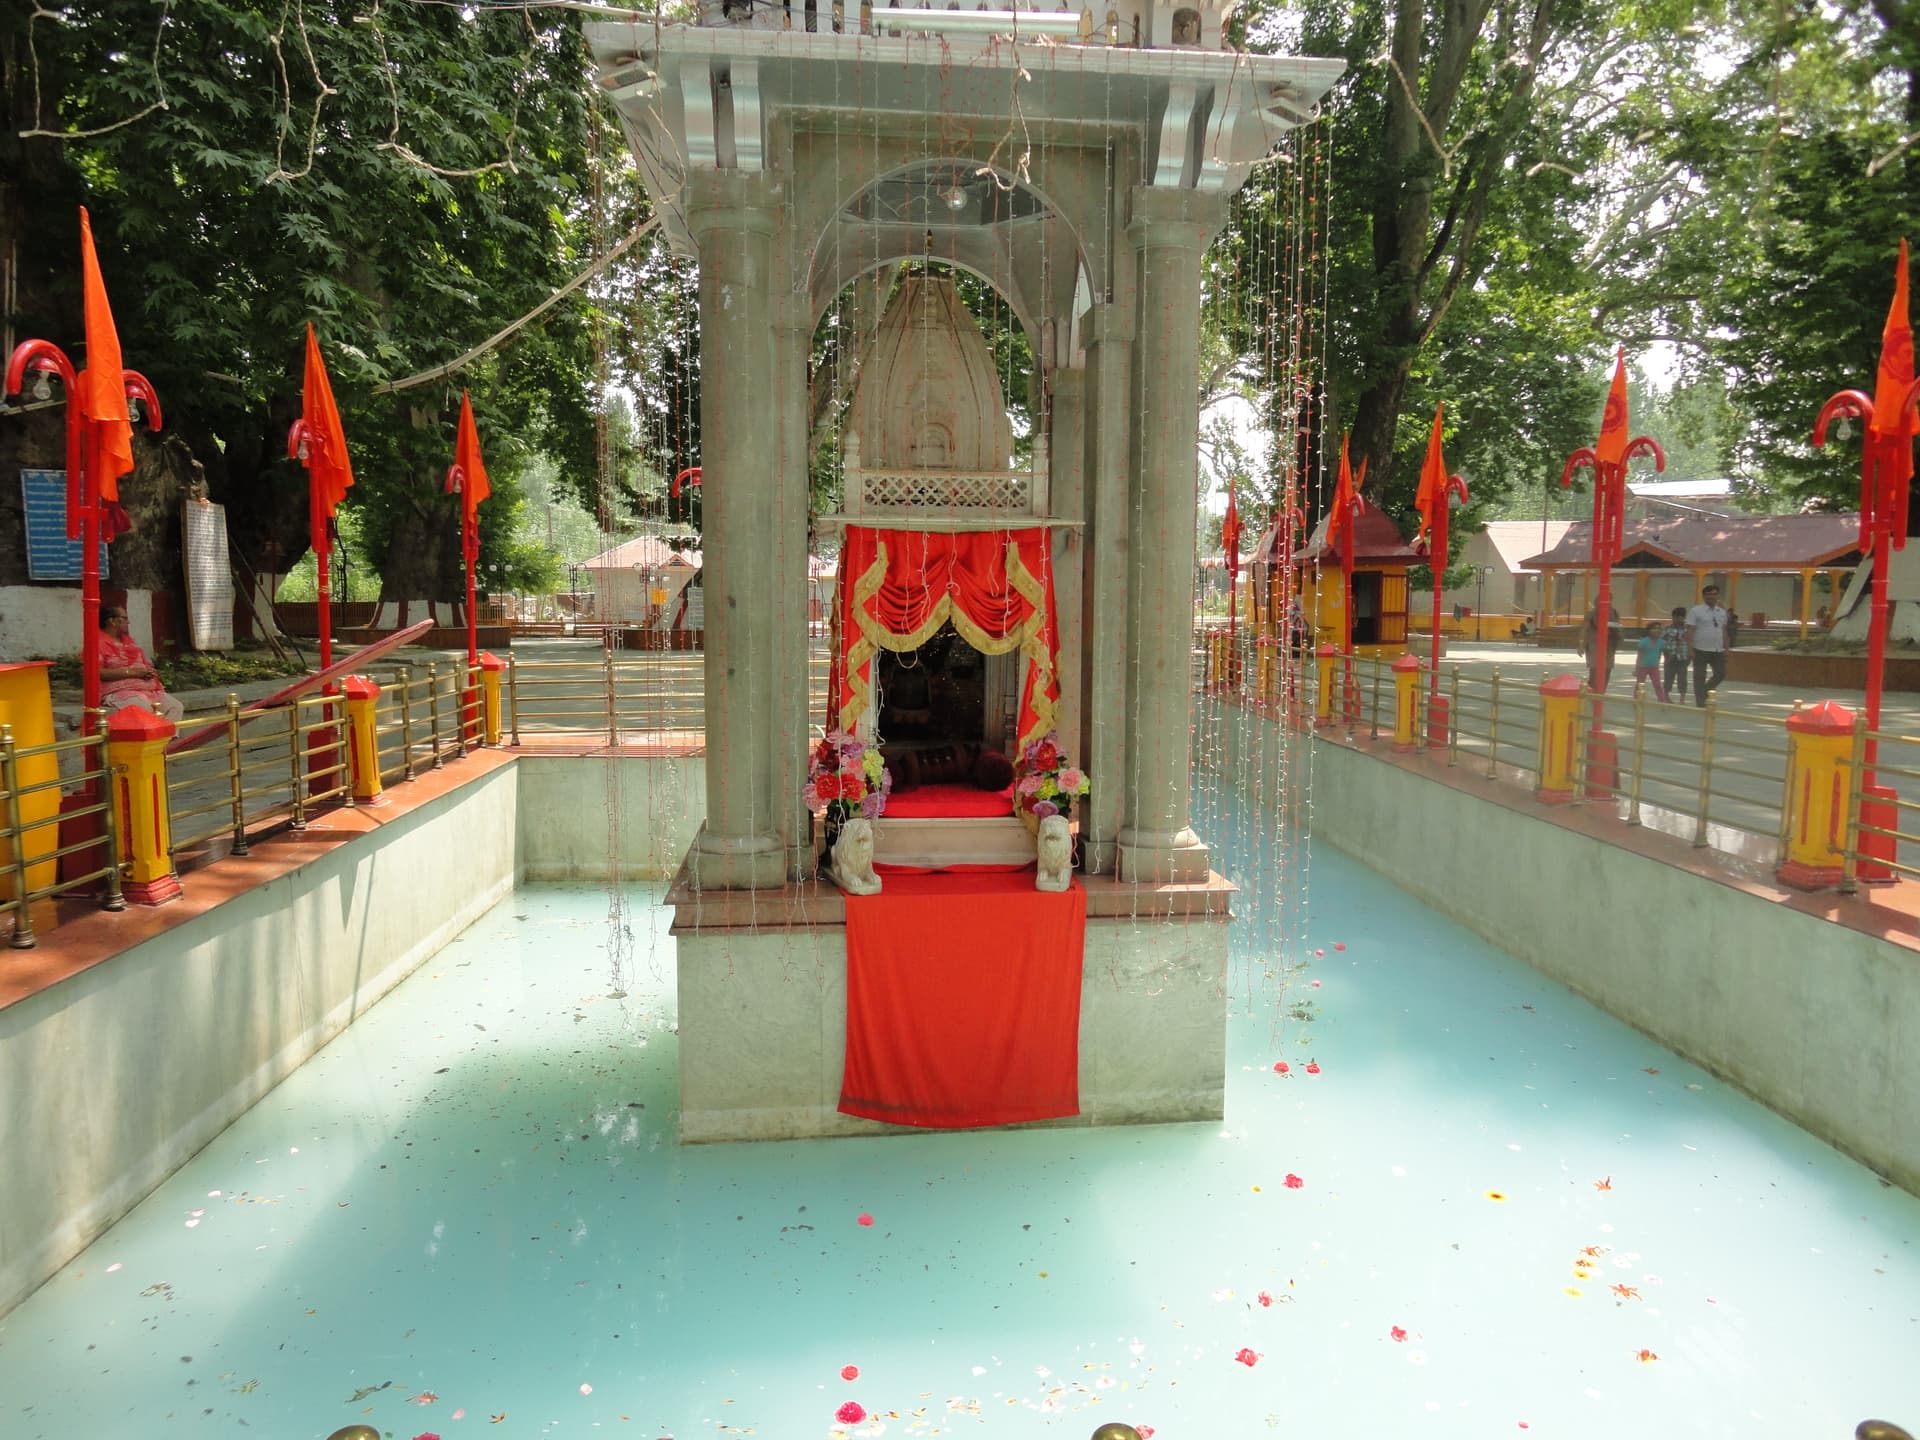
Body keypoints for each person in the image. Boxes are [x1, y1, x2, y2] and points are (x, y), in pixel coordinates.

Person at [98, 605, 184, 723]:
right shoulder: (97, 643)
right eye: (124, 618)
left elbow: (144, 664)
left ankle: (165, 740)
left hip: (147, 689)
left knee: (175, 707)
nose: (128, 622)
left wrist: (149, 672)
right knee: (145, 711)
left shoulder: (129, 642)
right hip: (120, 691)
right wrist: (133, 673)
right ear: (111, 621)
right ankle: (155, 738)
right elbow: (99, 672)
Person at [1686, 584, 1732, 707]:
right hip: (1700, 648)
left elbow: (1724, 630)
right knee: (1699, 676)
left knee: (1721, 673)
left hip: (1717, 649)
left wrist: (1726, 648)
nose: (1712, 596)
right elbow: (1690, 630)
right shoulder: (1696, 611)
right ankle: (1700, 702)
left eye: (1714, 594)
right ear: (1704, 596)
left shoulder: (1722, 612)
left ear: (1718, 596)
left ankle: (1705, 690)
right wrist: (1690, 648)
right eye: (1709, 594)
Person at [1577, 602, 1623, 692]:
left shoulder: (1614, 612)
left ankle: (1601, 693)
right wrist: (1581, 644)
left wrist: (1617, 638)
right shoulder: (1591, 614)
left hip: (1609, 646)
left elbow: (1618, 627)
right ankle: (1591, 692)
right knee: (1594, 671)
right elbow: (1584, 629)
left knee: (1607, 669)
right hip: (1594, 645)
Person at [1631, 620, 1669, 703]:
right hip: (1642, 667)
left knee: (1658, 685)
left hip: (1654, 667)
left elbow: (1661, 654)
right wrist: (1637, 669)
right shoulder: (1644, 642)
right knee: (1640, 684)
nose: (1657, 630)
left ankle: (1662, 701)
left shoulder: (1662, 642)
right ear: (1649, 630)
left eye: (1659, 628)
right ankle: (1636, 700)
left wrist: (1660, 664)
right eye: (1654, 628)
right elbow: (1639, 656)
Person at [1661, 606, 1690, 703]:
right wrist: (1665, 653)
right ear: (1673, 617)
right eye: (1676, 617)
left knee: (1682, 677)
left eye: (1681, 617)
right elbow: (1661, 642)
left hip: (1683, 657)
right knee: (1668, 676)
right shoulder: (1667, 629)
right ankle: (1666, 696)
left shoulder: (1687, 629)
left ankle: (1682, 698)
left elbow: (1691, 641)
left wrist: (1690, 654)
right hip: (1670, 656)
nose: (1678, 619)